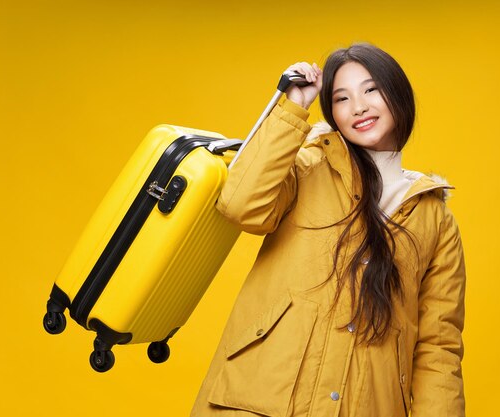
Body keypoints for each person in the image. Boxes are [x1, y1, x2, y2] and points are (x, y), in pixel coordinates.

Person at [191, 43, 466, 417]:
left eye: (371, 90)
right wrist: (293, 107)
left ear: (398, 95)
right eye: (341, 98)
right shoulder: (308, 167)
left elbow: (438, 346)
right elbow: (241, 205)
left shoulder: (434, 218)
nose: (358, 107)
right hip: (262, 401)